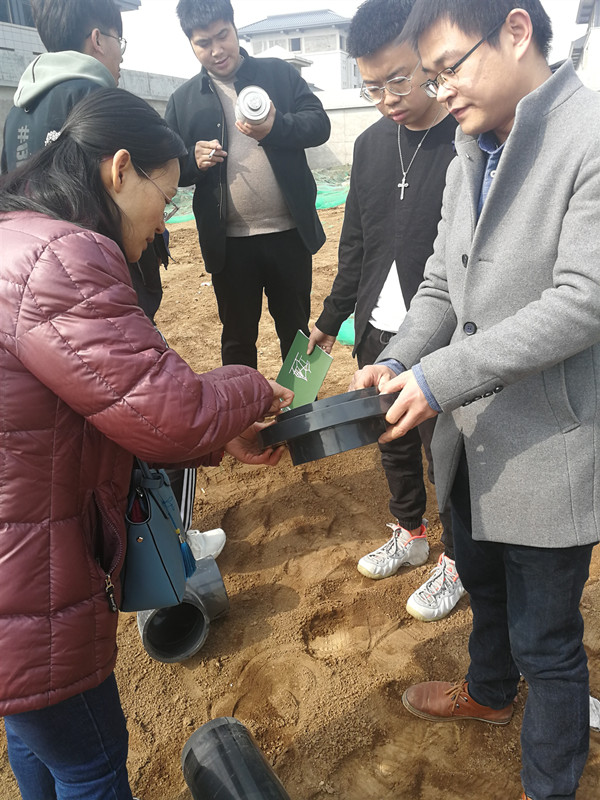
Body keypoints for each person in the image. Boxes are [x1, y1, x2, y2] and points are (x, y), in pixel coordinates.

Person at [0, 88, 293, 800]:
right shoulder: (65, 257)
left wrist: (220, 439)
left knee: (34, 736)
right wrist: (251, 389)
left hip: (19, 549)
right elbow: (171, 415)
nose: (164, 223)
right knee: (93, 764)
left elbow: (101, 406)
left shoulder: (17, 236)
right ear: (120, 169)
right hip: (30, 579)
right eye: (165, 199)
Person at [350, 1, 600, 798]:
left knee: (548, 642)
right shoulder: (470, 149)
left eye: (449, 67)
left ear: (517, 32)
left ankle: (549, 783)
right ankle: (489, 692)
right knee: (484, 589)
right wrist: (397, 359)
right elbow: (439, 284)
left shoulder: (589, 137)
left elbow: (583, 300)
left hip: (548, 443)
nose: (441, 90)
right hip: (468, 435)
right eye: (431, 77)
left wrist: (440, 378)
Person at [308, 0, 463, 622]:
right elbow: (355, 243)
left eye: (398, 80)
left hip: (443, 330)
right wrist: (331, 317)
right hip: (377, 327)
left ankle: (458, 558)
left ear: (427, 58)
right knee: (391, 438)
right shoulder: (371, 145)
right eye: (371, 87)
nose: (387, 100)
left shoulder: (465, 138)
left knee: (447, 452)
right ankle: (410, 532)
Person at [165, 0, 331, 369]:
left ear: (235, 28)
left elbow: (320, 124)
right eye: (203, 42)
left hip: (289, 236)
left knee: (297, 334)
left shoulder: (278, 75)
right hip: (230, 246)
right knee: (238, 338)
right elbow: (169, 170)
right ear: (191, 44)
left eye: (222, 35)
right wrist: (192, 161)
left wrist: (277, 127)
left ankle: (305, 404)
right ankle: (243, 407)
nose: (216, 49)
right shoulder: (184, 100)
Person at [1, 0, 168, 324]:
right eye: (119, 41)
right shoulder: (101, 103)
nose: (121, 55)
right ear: (98, 39)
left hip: (34, 285)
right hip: (98, 279)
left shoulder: (18, 112)